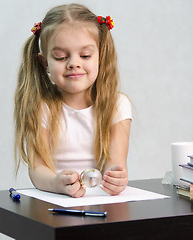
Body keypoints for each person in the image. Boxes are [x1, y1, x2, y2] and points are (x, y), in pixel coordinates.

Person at [14, 4, 132, 198]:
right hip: (55, 201)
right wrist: (56, 183)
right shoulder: (40, 107)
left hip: (99, 201)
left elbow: (115, 162)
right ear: (45, 63)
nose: (74, 63)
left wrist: (116, 178)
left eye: (85, 55)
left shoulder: (117, 106)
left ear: (101, 56)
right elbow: (37, 170)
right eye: (60, 57)